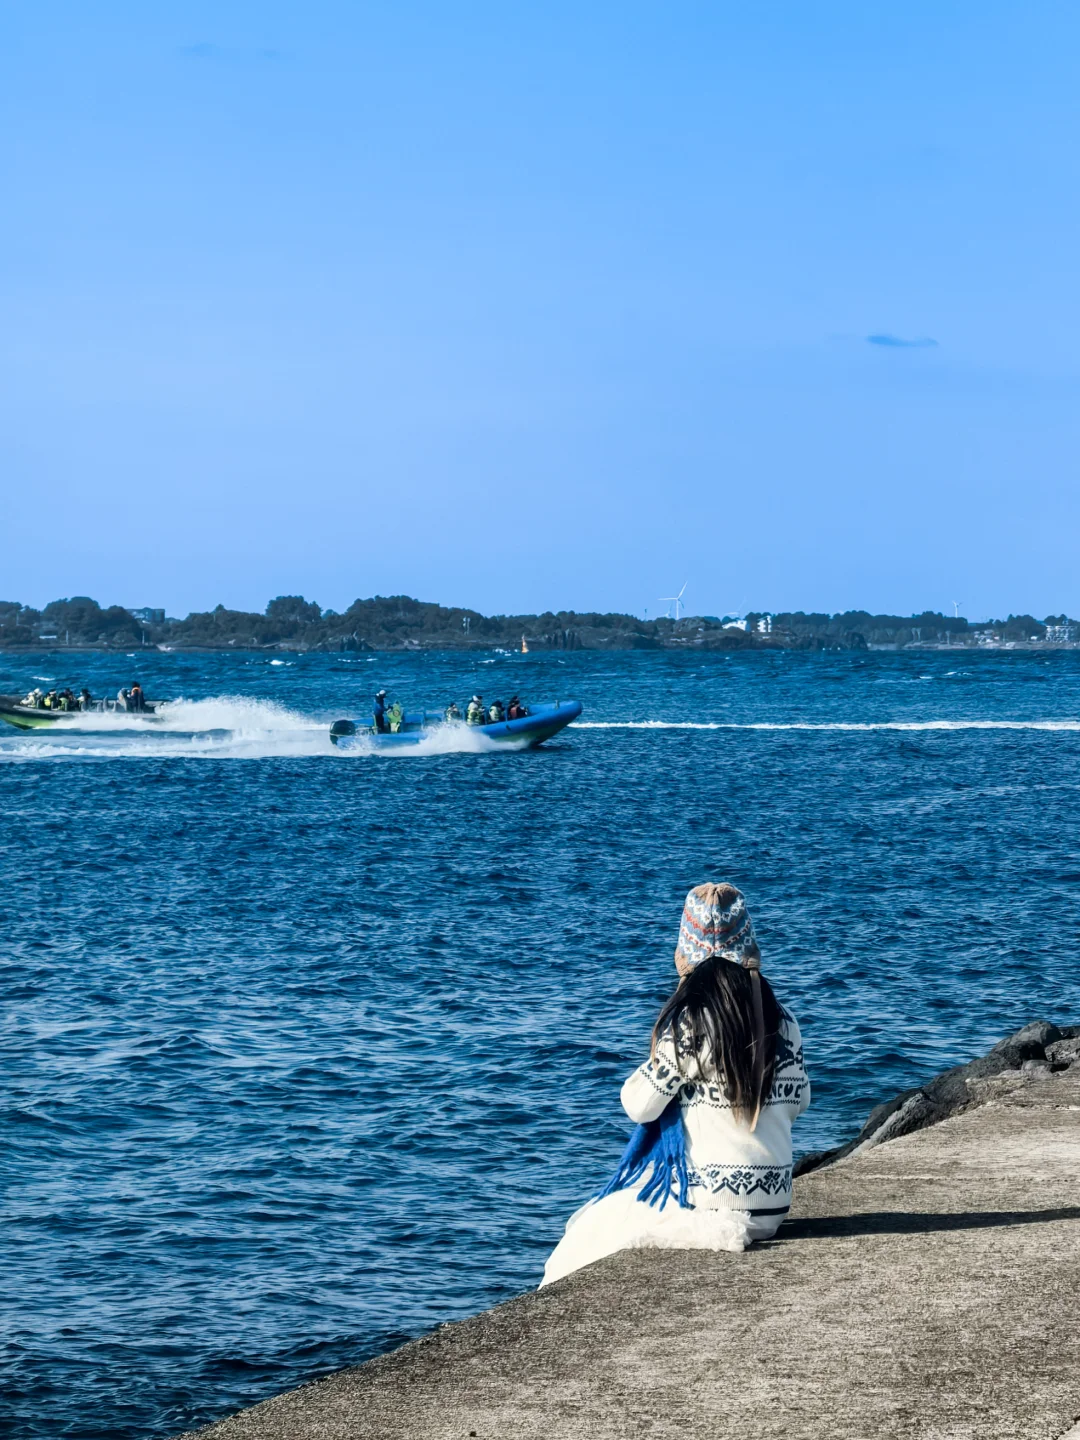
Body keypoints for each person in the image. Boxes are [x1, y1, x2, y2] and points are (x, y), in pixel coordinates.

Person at [540, 883, 810, 1287]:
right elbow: (801, 1100)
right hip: (773, 1207)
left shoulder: (693, 1024)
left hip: (718, 1209)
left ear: (688, 952)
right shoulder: (784, 1020)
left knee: (588, 1232)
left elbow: (638, 1104)